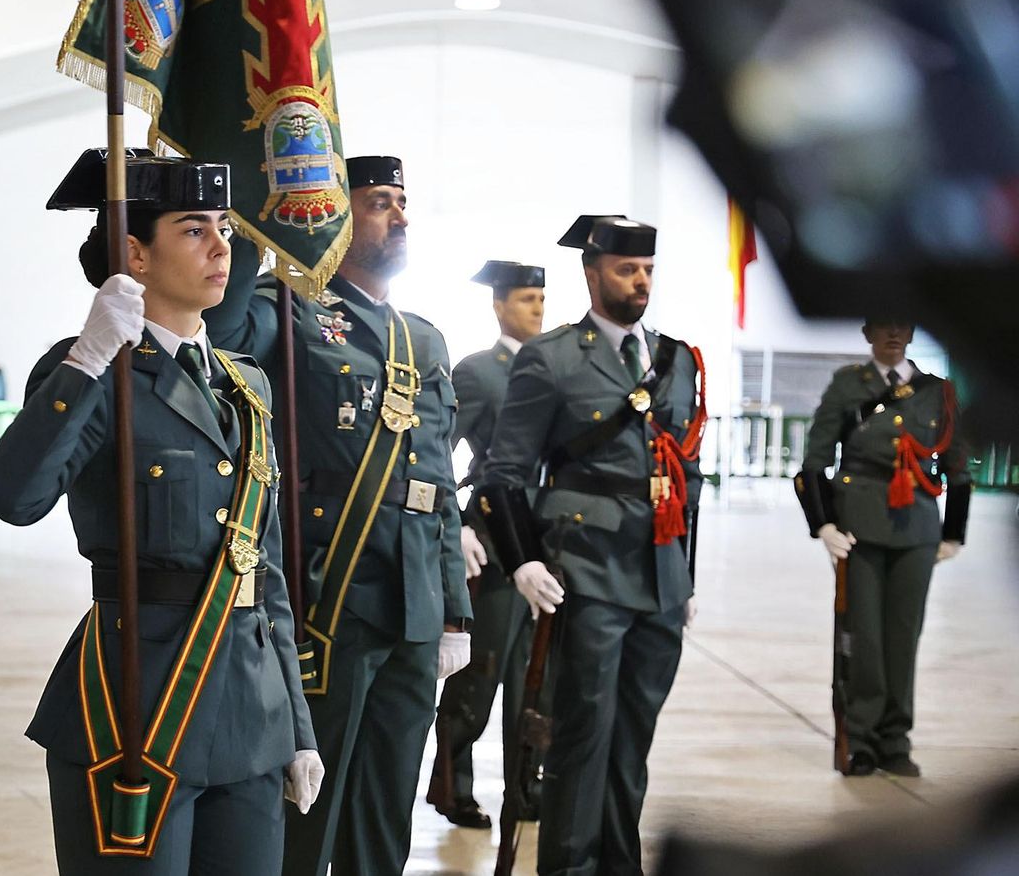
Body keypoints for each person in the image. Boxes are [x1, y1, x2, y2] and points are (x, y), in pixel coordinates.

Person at [0, 150, 320, 875]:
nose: (221, 246)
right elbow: (15, 499)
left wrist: (297, 725)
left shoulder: (245, 384)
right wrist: (88, 358)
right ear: (135, 254)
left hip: (251, 715)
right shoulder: (94, 370)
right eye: (194, 229)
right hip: (137, 705)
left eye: (224, 227)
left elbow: (261, 574)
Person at [204, 155, 472, 876]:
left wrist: (455, 610)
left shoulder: (424, 339)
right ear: (340, 216)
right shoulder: (285, 310)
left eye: (403, 202)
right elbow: (219, 336)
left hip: (412, 611)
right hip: (328, 605)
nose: (401, 216)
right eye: (381, 202)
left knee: (385, 815)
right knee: (306, 816)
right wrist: (258, 235)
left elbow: (437, 481)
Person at [480, 214, 706, 876]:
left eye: (648, 271)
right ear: (592, 272)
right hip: (586, 571)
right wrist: (521, 557)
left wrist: (685, 576)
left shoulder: (678, 361)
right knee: (582, 739)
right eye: (626, 270)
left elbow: (685, 477)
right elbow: (505, 474)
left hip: (659, 577)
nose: (640, 282)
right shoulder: (551, 359)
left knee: (632, 742)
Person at [795, 316, 971, 778]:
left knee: (903, 638)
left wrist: (954, 532)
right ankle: (863, 739)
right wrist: (823, 524)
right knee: (865, 638)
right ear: (867, 334)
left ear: (912, 334)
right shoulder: (848, 385)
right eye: (883, 326)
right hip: (860, 527)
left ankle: (896, 740)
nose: (893, 334)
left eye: (902, 327)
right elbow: (814, 460)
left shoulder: (938, 391)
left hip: (917, 528)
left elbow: (958, 465)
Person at [428, 259, 547, 830]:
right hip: (493, 545)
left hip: (543, 543)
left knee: (534, 678)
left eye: (542, 301)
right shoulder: (479, 372)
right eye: (526, 300)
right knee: (483, 674)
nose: (538, 312)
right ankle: (454, 787)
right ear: (499, 305)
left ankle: (526, 787)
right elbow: (437, 453)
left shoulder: (552, 369)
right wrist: (457, 526)